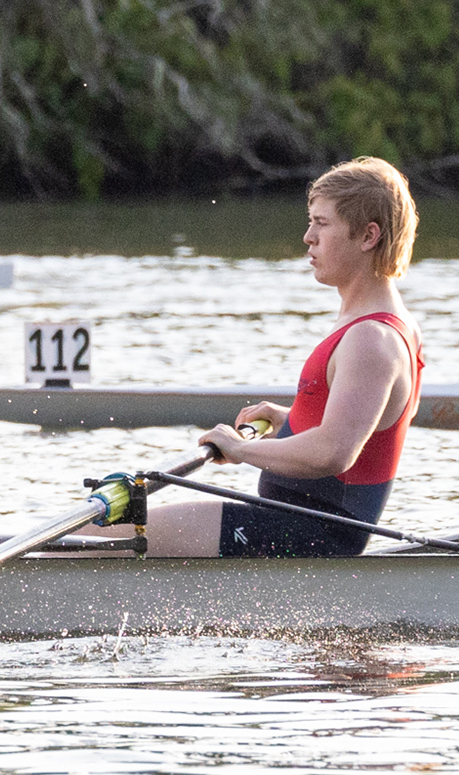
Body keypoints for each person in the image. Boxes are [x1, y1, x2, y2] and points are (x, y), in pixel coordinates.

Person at [129, 156, 424, 557]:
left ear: (368, 236)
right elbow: (364, 430)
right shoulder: (385, 326)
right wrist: (293, 420)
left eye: (322, 223)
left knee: (104, 538)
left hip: (310, 536)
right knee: (109, 532)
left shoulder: (371, 338)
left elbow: (335, 452)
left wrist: (240, 449)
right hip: (290, 522)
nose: (308, 237)